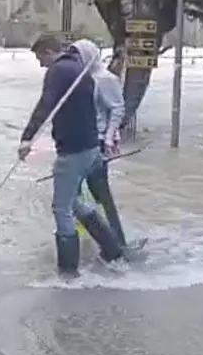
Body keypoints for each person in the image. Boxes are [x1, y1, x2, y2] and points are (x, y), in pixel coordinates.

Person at [19, 35, 126, 277]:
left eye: (40, 58)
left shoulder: (59, 71)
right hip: (91, 147)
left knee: (61, 208)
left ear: (49, 52)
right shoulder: (81, 71)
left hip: (73, 151)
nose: (41, 64)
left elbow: (46, 105)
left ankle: (68, 273)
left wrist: (27, 138)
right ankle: (113, 251)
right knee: (75, 203)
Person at [69, 39, 131, 250]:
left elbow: (117, 108)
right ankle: (83, 237)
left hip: (97, 142)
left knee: (101, 194)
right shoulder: (78, 78)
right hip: (77, 142)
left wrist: (110, 136)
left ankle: (118, 241)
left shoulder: (105, 79)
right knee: (74, 195)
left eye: (78, 56)